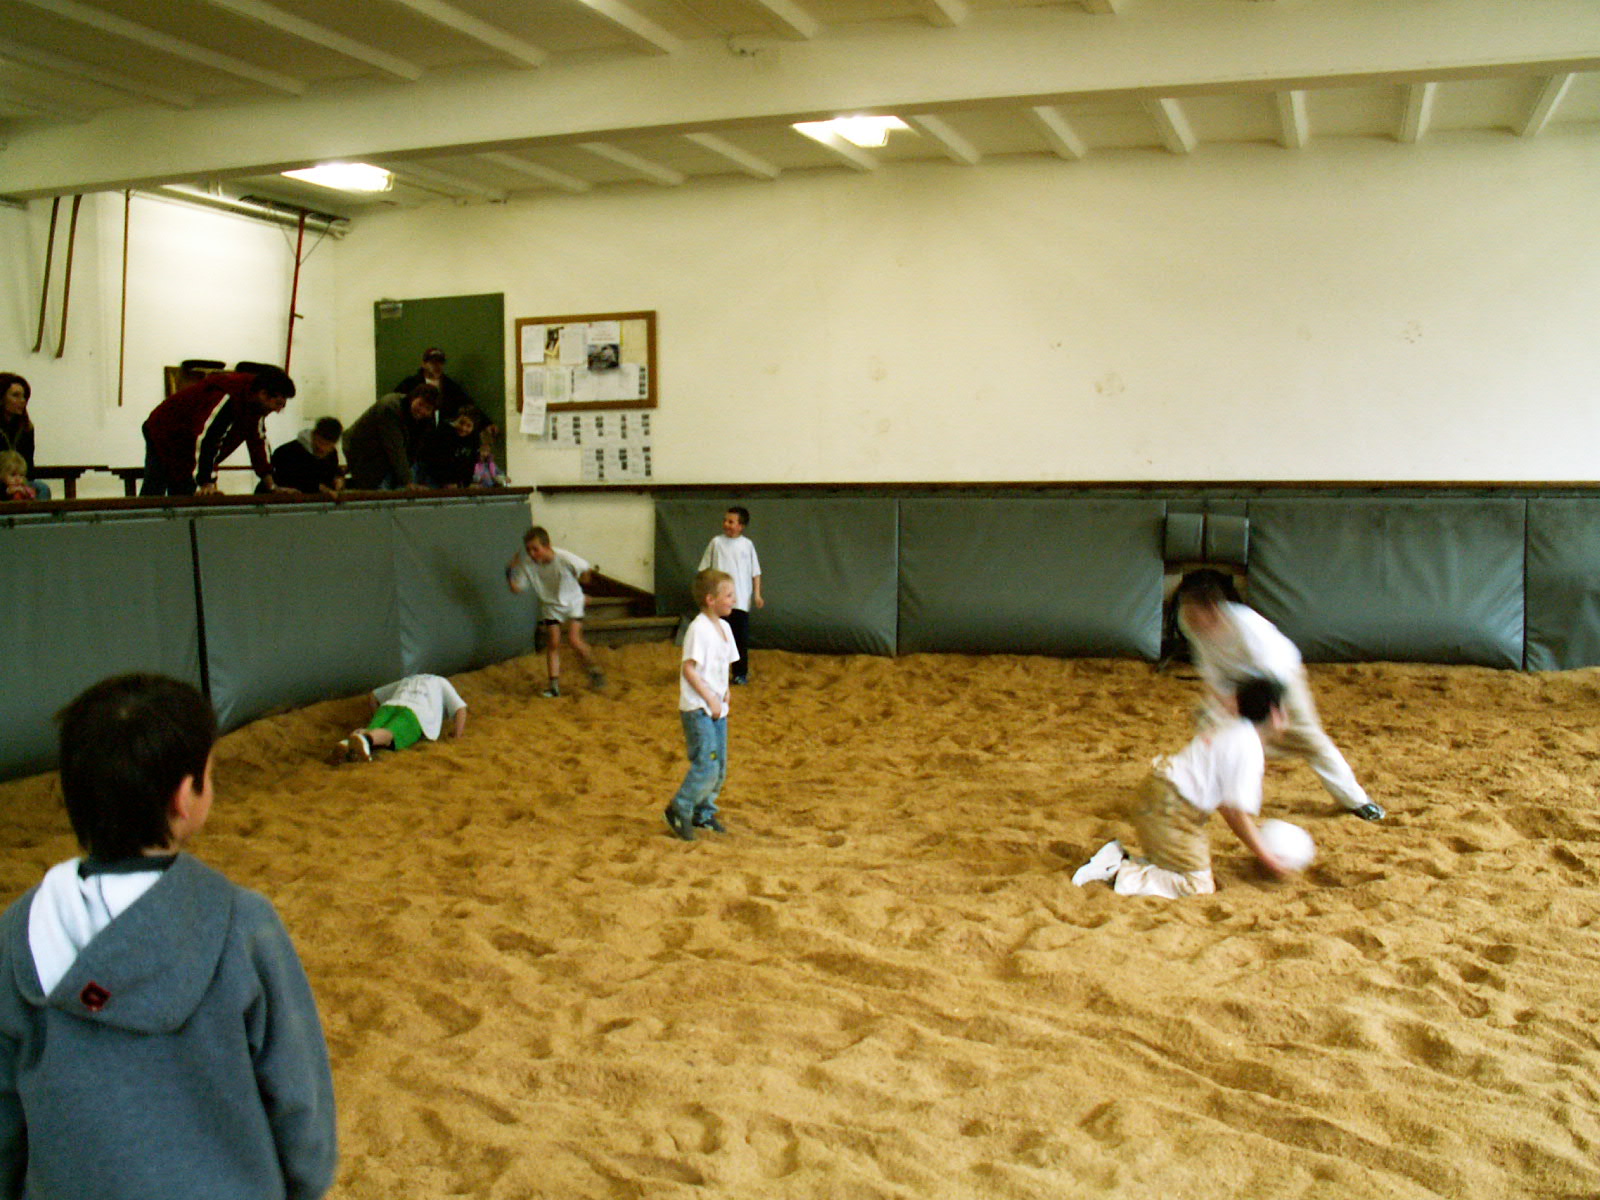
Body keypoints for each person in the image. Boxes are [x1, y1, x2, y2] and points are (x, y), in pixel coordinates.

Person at [0, 673, 337, 1199]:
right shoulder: (242, 925)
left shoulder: (19, 934)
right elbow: (298, 1097)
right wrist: (303, 1184)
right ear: (185, 797)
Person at [1176, 570, 1385, 821]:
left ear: (1213, 609)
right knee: (1210, 733)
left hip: (1280, 681)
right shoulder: (1188, 622)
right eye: (1186, 610)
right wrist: (1226, 702)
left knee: (1311, 742)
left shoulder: (1246, 624)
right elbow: (1210, 671)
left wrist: (1276, 712)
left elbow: (1275, 673)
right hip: (1235, 684)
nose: (1189, 617)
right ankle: (1199, 794)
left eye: (1194, 611)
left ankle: (1357, 801)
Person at [1072, 676, 1295, 898]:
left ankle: (1122, 862)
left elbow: (1226, 806)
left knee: (1174, 867)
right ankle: (1116, 868)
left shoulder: (1232, 729)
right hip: (1171, 809)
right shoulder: (1248, 747)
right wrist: (1268, 858)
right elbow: (1236, 814)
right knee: (1196, 886)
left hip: (1158, 795)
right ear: (1274, 713)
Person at [140, 363, 295, 496]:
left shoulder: (256, 405)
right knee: (158, 486)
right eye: (278, 404)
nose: (277, 410)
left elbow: (257, 442)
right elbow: (208, 439)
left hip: (189, 438)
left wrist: (271, 485)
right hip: (163, 431)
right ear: (263, 394)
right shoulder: (228, 395)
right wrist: (206, 482)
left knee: (184, 487)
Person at [664, 568, 738, 840]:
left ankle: (703, 812)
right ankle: (679, 807)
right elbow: (689, 669)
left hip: (718, 709)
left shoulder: (725, 628)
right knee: (706, 763)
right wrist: (709, 697)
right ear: (710, 599)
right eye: (728, 595)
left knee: (719, 767)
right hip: (699, 709)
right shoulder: (698, 629)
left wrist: (725, 690)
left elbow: (723, 664)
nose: (733, 600)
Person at [505, 525, 604, 697]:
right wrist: (509, 571)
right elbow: (516, 588)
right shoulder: (527, 564)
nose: (532, 554)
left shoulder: (564, 558)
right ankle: (554, 687)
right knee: (553, 643)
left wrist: (584, 590)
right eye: (528, 550)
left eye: (535, 549)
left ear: (547, 546)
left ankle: (594, 670)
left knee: (574, 640)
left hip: (573, 603)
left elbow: (585, 569)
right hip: (551, 607)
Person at [331, 673, 467, 763]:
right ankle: (366, 739)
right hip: (415, 713)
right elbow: (460, 708)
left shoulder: (409, 679)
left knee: (371, 730)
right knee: (390, 734)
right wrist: (457, 735)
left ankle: (347, 744)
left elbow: (373, 696)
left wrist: (375, 714)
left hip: (389, 706)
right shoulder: (441, 681)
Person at [697, 506, 764, 685]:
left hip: (740, 601)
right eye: (725, 520)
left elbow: (756, 573)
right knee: (716, 639)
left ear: (741, 526)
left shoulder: (747, 545)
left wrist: (757, 595)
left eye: (731, 521)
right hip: (718, 603)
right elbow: (704, 570)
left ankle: (740, 673)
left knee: (739, 640)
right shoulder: (716, 543)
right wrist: (706, 593)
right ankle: (714, 672)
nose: (726, 524)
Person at [341, 383, 438, 490]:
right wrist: (408, 482)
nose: (422, 410)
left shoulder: (425, 421)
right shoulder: (390, 408)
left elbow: (413, 449)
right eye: (420, 404)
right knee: (378, 489)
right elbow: (395, 448)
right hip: (361, 449)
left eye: (428, 408)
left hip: (384, 454)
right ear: (413, 398)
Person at [263, 416, 344, 496]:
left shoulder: (332, 454)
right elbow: (289, 479)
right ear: (313, 435)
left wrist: (338, 479)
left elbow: (333, 473)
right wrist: (318, 487)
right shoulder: (287, 452)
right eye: (320, 442)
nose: (322, 448)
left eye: (328, 445)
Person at [0, 372, 50, 499]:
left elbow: (29, 466)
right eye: (15, 395)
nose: (22, 401)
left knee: (42, 488)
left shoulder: (26, 428)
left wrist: (21, 483)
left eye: (24, 397)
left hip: (19, 480)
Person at [416, 404, 483, 489]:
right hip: (432, 476)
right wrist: (445, 482)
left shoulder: (474, 440)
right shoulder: (443, 432)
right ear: (456, 420)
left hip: (455, 482)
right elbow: (435, 460)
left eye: (468, 426)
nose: (463, 428)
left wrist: (464, 484)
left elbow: (470, 464)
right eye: (461, 423)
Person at [393, 347, 470, 420]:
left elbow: (467, 405)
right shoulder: (410, 383)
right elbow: (397, 404)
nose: (437, 366)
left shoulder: (451, 386)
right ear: (423, 364)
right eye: (433, 362)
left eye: (440, 363)